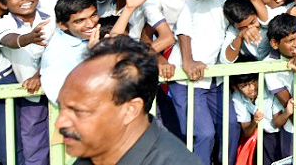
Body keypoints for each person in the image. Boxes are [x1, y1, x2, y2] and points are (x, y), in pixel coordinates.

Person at [56, 36, 200, 164]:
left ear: (130, 110)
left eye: (79, 111)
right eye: (61, 107)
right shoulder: (92, 155)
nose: (59, 123)